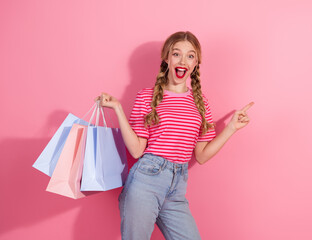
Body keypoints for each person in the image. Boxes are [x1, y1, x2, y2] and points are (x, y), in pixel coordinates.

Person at [95, 31, 254, 240]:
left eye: (190, 56)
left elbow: (202, 156)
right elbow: (136, 149)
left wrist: (231, 127)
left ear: (196, 63)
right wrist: (117, 107)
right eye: (177, 54)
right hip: (146, 181)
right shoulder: (146, 96)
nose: (183, 60)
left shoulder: (200, 103)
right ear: (167, 58)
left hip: (177, 186)